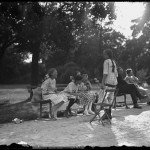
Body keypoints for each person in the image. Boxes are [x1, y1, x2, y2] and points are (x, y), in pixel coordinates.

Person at [100, 49, 118, 120]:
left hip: (108, 82)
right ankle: (109, 114)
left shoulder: (106, 61)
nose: (103, 55)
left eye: (104, 54)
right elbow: (116, 74)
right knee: (110, 98)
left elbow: (105, 73)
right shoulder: (113, 62)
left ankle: (107, 113)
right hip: (114, 82)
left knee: (102, 97)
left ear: (107, 54)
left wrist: (102, 83)